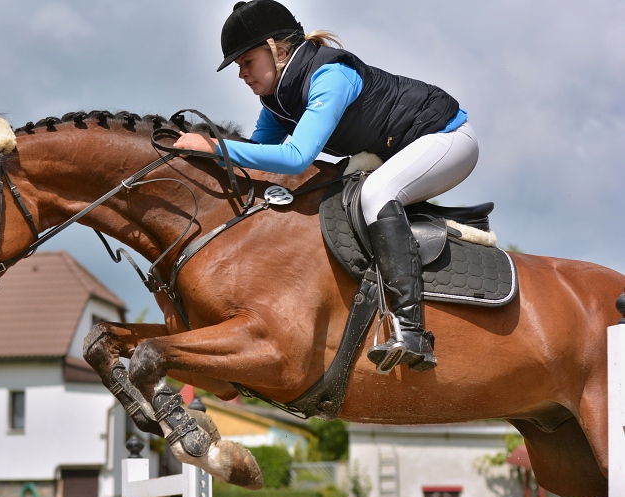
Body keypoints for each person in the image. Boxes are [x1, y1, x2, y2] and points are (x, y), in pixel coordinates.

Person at [173, 0, 478, 373]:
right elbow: (259, 155)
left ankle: (413, 332)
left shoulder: (330, 75)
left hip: (446, 138)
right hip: (396, 150)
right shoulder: (278, 99)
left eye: (247, 62)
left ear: (278, 50)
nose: (242, 75)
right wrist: (206, 149)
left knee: (375, 194)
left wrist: (215, 148)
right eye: (239, 67)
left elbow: (296, 157)